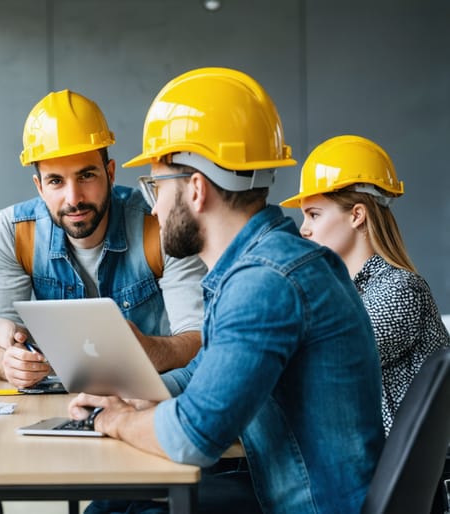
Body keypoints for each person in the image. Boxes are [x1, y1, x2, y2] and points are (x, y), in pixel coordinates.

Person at [68, 67, 385, 514]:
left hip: (311, 506)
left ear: (196, 189)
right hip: (286, 490)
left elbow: (194, 437)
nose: (154, 208)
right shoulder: (262, 265)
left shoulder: (265, 282)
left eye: (156, 187)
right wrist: (136, 396)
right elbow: (202, 374)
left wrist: (116, 420)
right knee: (116, 504)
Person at [0, 89, 206, 388]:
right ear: (39, 187)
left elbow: (199, 339)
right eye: (56, 181)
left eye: (86, 176)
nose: (73, 198)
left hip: (145, 399)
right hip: (58, 401)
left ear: (110, 173)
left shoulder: (160, 222)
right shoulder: (14, 231)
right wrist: (10, 364)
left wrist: (147, 352)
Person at [281, 134, 450, 434]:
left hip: (389, 461)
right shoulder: (346, 292)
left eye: (314, 215)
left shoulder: (401, 289)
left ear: (357, 215)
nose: (304, 229)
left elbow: (328, 359)